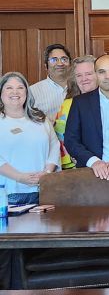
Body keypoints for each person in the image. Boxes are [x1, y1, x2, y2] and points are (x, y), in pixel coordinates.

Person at [0, 72, 60, 205]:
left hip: (44, 190)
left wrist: (47, 173)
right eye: (9, 88)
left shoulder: (40, 118)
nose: (15, 92)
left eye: (20, 87)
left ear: (27, 92)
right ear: (1, 93)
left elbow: (54, 145)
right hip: (8, 194)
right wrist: (19, 177)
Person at [54, 55, 97, 170]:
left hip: (108, 166)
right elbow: (60, 138)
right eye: (79, 75)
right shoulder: (67, 104)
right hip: (75, 167)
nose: (84, 79)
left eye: (88, 74)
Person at [29, 43, 71, 121]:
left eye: (64, 59)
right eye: (54, 60)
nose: (60, 63)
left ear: (70, 64)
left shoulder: (81, 86)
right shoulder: (33, 91)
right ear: (46, 66)